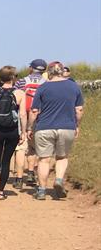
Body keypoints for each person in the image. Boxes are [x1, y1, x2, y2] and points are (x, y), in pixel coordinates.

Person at [28, 61, 85, 200]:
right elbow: (79, 110)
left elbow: (34, 111)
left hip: (44, 127)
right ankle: (59, 180)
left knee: (44, 159)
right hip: (66, 127)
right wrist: (77, 125)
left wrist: (30, 128)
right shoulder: (74, 87)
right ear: (62, 71)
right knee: (62, 157)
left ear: (49, 72)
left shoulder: (42, 88)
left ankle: (41, 190)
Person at [0, 66, 27, 202]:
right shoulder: (19, 93)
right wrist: (23, 132)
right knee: (6, 161)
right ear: (13, 77)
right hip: (12, 131)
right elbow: (23, 114)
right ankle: (1, 191)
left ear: (0, 77)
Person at [13, 59, 46, 188]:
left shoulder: (21, 82)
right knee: (34, 148)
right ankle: (31, 173)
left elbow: (14, 98)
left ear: (31, 68)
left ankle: (19, 179)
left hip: (22, 117)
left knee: (21, 148)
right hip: (39, 118)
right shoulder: (46, 83)